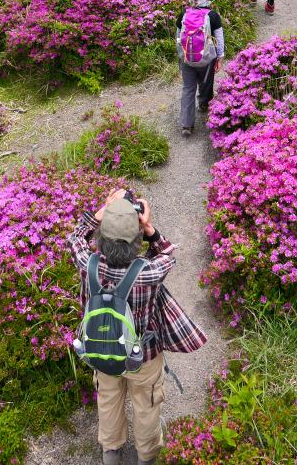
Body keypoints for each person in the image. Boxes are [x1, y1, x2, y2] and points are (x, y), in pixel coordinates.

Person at [68, 189, 207, 465]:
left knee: (108, 400)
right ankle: (146, 456)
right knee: (146, 406)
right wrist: (150, 228)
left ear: (101, 238)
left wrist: (101, 213)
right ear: (137, 241)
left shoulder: (87, 264)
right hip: (142, 356)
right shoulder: (148, 273)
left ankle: (111, 452)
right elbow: (168, 253)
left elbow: (74, 238)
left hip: (101, 350)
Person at [176, 0, 225, 137]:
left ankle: (186, 125)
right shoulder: (213, 15)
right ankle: (204, 104)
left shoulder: (183, 14)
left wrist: (182, 56)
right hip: (206, 59)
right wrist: (220, 57)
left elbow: (178, 36)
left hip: (186, 58)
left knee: (188, 89)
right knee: (205, 83)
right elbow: (219, 38)